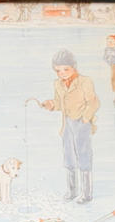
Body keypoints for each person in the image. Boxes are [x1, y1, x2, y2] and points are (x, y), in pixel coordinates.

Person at [39, 49, 100, 204]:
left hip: (81, 123)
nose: (62, 74)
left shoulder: (85, 81)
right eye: (58, 71)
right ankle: (72, 191)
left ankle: (86, 193)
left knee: (84, 155)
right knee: (69, 156)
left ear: (74, 67)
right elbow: (59, 103)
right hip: (67, 124)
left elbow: (94, 102)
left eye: (66, 69)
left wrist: (85, 119)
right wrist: (51, 105)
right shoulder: (57, 84)